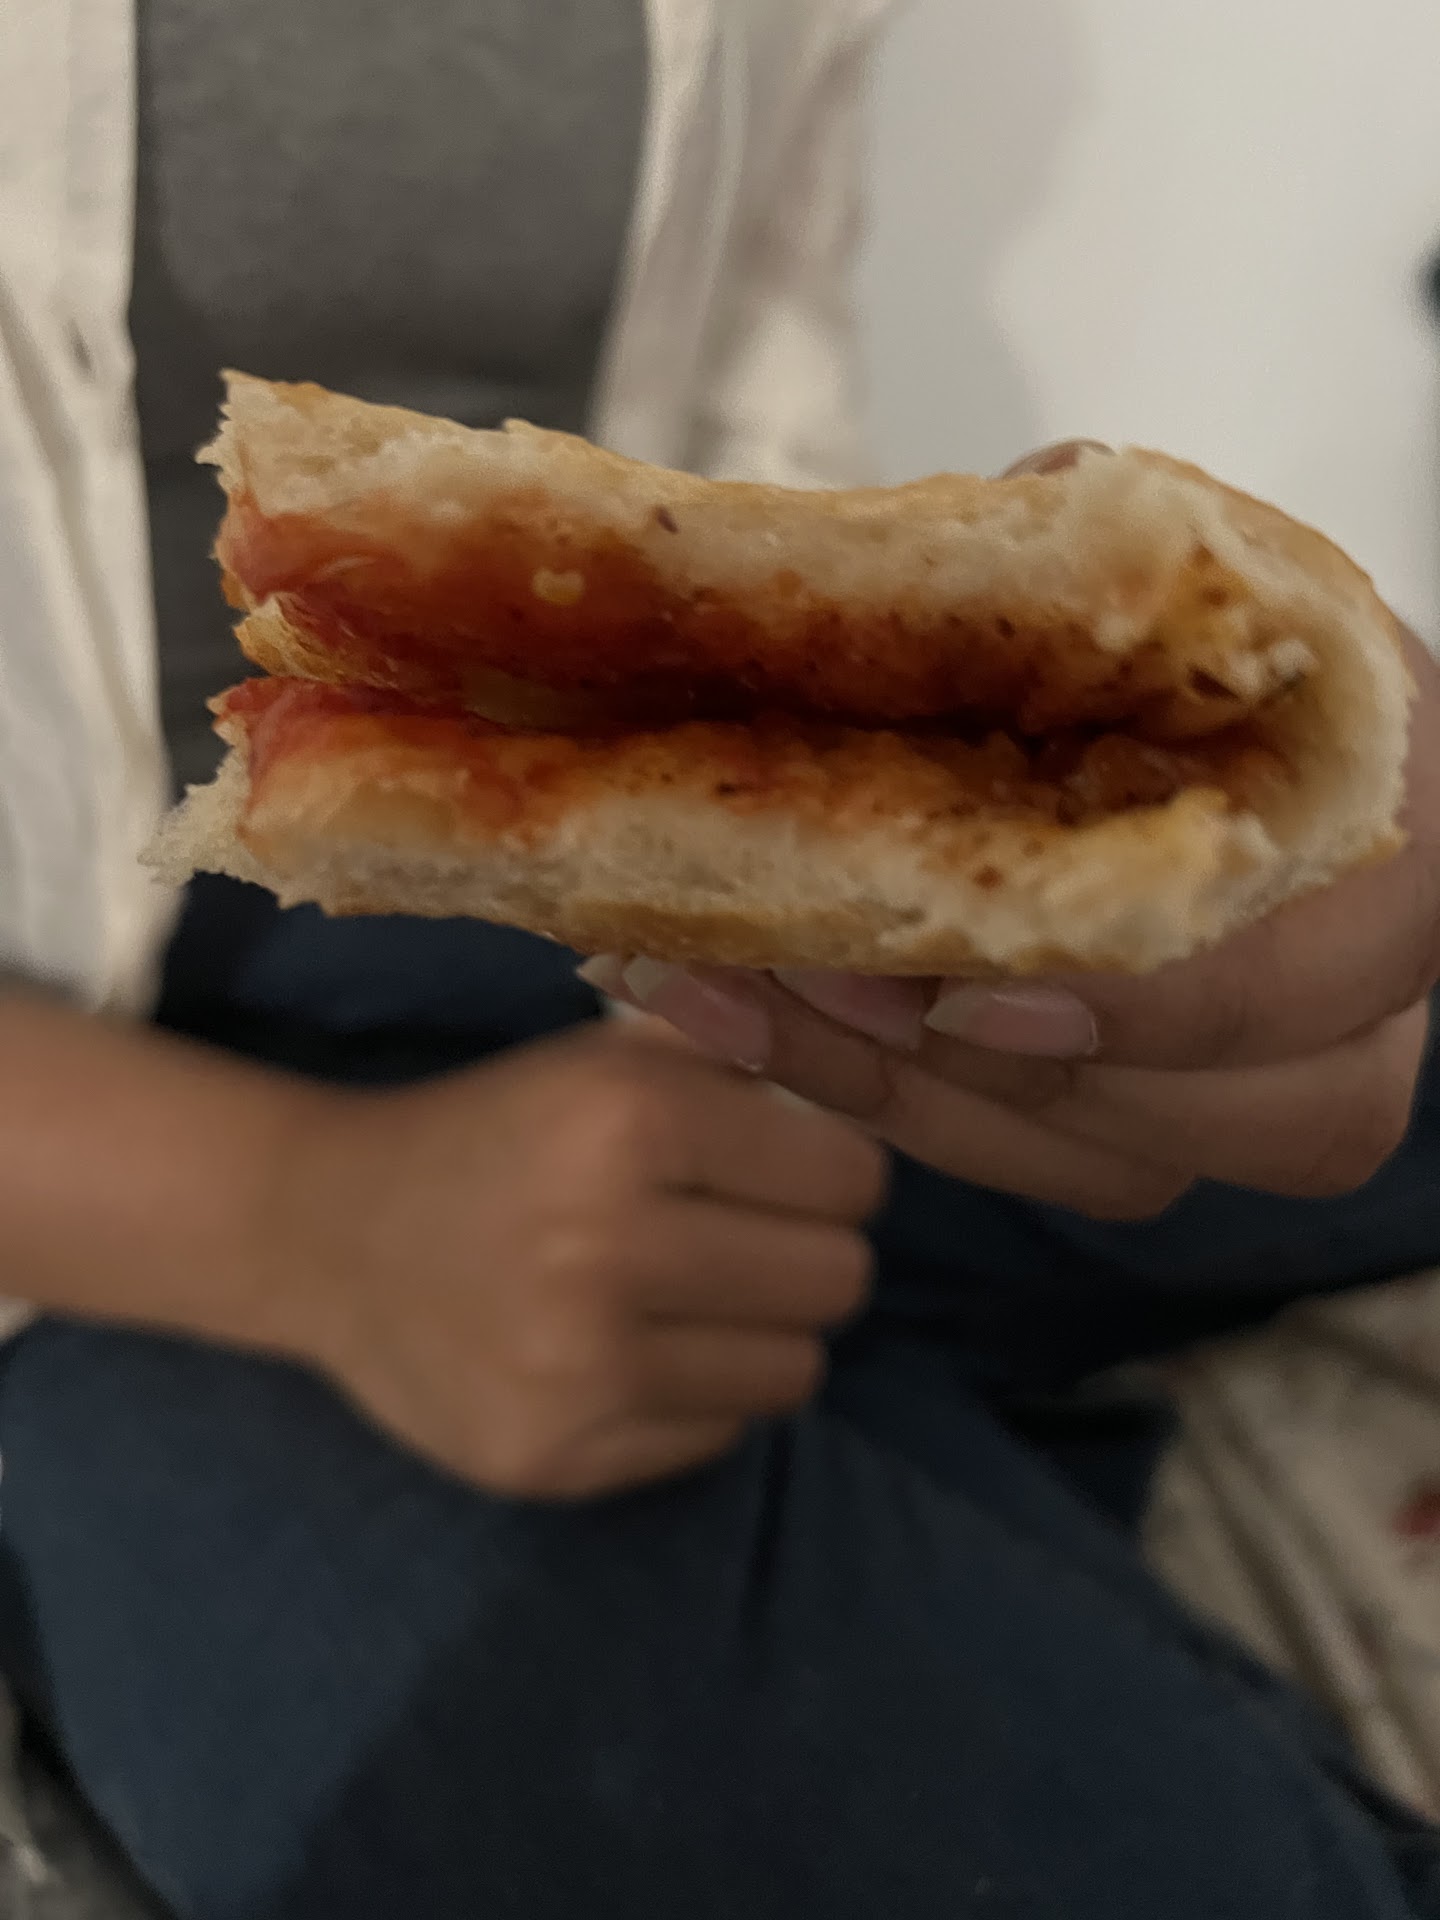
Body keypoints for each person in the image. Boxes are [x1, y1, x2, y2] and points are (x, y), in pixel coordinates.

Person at [1, 2, 1439, 1915]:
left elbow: (750, 410)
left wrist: (806, 928)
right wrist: (302, 1222)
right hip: (95, 1153)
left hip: (608, 945)